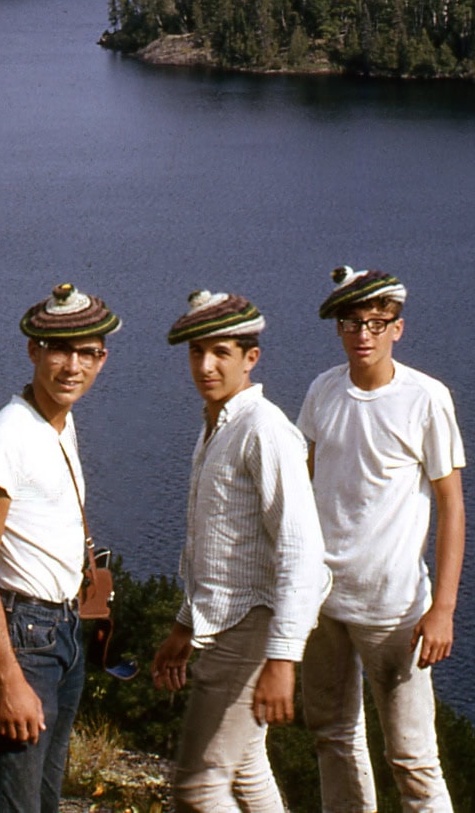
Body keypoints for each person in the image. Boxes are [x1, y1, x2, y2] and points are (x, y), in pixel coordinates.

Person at [296, 266, 467, 813]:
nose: (363, 334)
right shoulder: (323, 390)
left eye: (377, 322)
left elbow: (452, 507)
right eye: (352, 322)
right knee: (333, 736)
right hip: (322, 601)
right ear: (339, 328)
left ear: (399, 328)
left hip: (393, 609)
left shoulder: (426, 399)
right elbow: (303, 487)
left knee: (412, 758)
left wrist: (442, 608)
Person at [152, 290, 326, 813]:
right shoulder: (219, 425)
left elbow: (302, 551)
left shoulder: (263, 430)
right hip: (226, 620)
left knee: (198, 787)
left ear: (251, 358)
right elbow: (222, 551)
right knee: (247, 767)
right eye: (196, 352)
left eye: (221, 353)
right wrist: (186, 624)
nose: (205, 366)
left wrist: (282, 661)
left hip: (252, 628)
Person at [0, 283, 121, 813]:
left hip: (63, 631)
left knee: (43, 798)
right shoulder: (5, 439)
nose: (73, 366)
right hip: (22, 638)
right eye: (59, 350)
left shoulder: (58, 419)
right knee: (11, 800)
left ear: (103, 357)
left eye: (87, 353)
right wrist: (8, 679)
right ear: (33, 350)